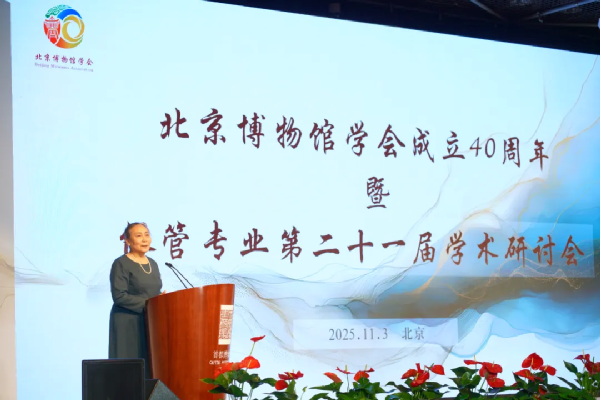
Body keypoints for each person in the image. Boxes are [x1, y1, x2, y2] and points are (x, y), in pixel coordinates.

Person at [109, 223, 163, 378]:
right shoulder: (121, 263)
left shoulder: (153, 264)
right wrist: (150, 304)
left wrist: (162, 300)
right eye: (139, 236)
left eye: (147, 234)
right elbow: (119, 296)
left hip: (150, 322)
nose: (144, 239)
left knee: (150, 369)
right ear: (127, 241)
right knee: (130, 372)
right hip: (127, 324)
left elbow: (154, 292)